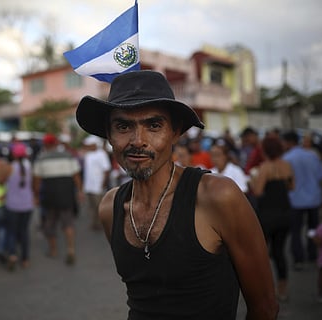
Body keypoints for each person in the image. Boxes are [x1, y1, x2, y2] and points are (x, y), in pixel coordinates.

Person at [75, 70, 278, 319]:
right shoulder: (110, 207)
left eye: (154, 125)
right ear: (109, 135)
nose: (138, 140)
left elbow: (265, 307)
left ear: (175, 132)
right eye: (123, 126)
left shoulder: (216, 196)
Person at [249, 136, 294, 302]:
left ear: (266, 150)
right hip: (285, 213)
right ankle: (282, 289)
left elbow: (259, 192)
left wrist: (253, 181)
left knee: (263, 253)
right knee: (280, 252)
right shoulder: (287, 166)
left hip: (268, 215)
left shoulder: (265, 167)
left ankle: (265, 289)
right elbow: (292, 186)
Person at [33, 134, 83, 265]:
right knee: (68, 223)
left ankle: (53, 250)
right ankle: (71, 250)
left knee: (50, 224)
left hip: (49, 195)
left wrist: (36, 196)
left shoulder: (41, 158)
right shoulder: (68, 155)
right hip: (66, 194)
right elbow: (76, 175)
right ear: (56, 143)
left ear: (45, 144)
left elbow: (37, 180)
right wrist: (80, 191)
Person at [282, 130, 322, 270]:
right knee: (313, 228)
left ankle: (298, 258)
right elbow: (320, 178)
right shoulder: (312, 155)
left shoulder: (286, 158)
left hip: (295, 201)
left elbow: (286, 182)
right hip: (314, 198)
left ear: (288, 142)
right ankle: (313, 254)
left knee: (296, 231)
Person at [5, 142, 34, 270]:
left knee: (12, 231)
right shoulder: (29, 167)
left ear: (13, 154)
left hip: (12, 204)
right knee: (24, 232)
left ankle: (12, 255)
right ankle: (25, 259)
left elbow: (1, 181)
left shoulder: (9, 167)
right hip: (27, 204)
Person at [82, 135, 111, 230]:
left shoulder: (101, 154)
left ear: (94, 144)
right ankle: (95, 223)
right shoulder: (88, 155)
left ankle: (102, 224)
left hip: (97, 186)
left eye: (89, 144)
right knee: (92, 207)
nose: (87, 146)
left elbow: (106, 170)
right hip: (89, 187)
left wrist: (102, 185)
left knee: (100, 207)